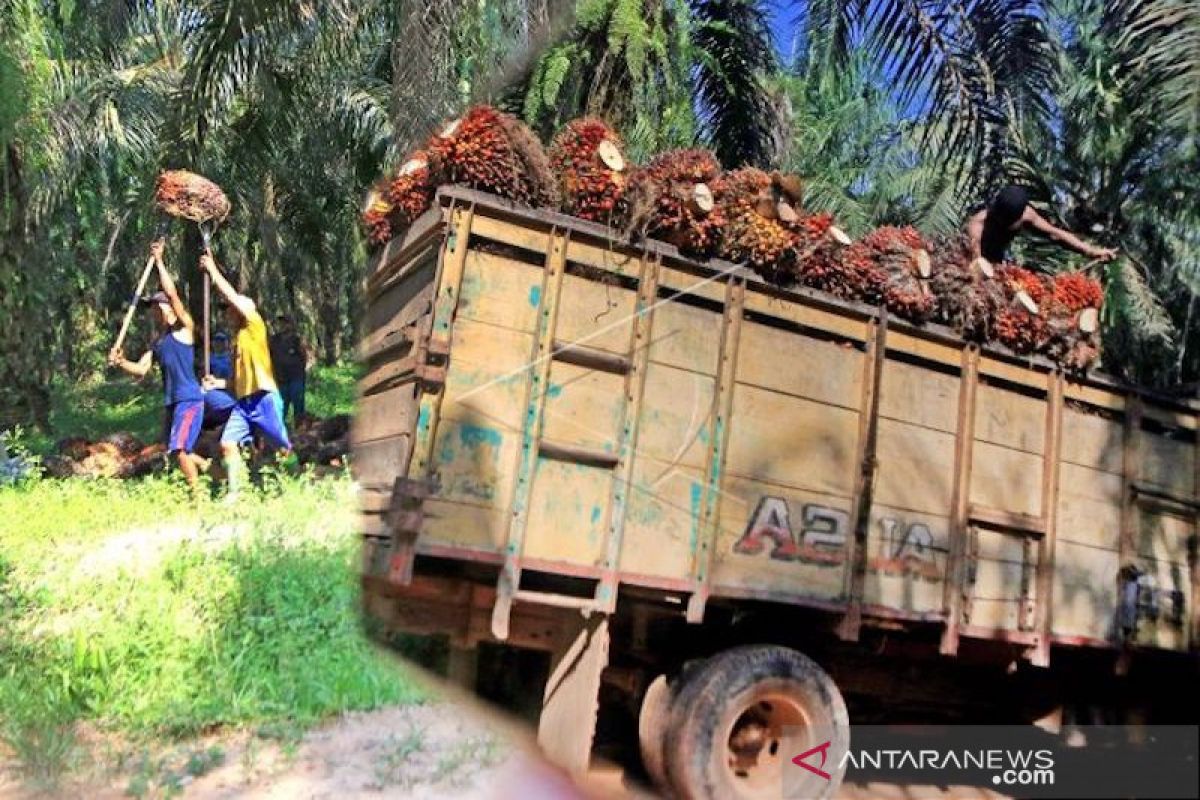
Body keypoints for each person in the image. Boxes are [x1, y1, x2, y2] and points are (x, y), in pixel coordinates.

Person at [108, 240, 205, 489]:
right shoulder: (158, 342)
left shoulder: (184, 328)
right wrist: (121, 362)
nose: (152, 311)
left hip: (188, 399)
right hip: (172, 401)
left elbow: (172, 294)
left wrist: (160, 261)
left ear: (168, 308)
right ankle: (212, 468)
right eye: (150, 308)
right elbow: (141, 370)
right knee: (171, 450)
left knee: (180, 449)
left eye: (156, 306)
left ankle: (198, 500)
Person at [198, 252, 291, 499]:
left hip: (263, 399)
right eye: (226, 309)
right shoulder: (237, 341)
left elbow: (232, 297)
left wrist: (213, 270)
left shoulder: (254, 325)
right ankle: (235, 493)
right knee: (228, 444)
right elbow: (237, 382)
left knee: (283, 449)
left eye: (230, 308)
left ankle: (300, 477)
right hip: (243, 403)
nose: (227, 312)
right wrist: (217, 383)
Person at [966, 185, 1118, 268]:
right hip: (971, 261)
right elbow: (976, 264)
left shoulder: (1026, 215)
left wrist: (1091, 251)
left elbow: (1056, 234)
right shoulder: (978, 226)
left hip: (997, 262)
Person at [269, 314, 308, 425]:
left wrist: (301, 370)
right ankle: (280, 431)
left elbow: (304, 355)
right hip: (281, 379)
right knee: (281, 406)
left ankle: (299, 428)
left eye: (286, 322)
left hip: (296, 377)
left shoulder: (297, 339)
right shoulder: (274, 340)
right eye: (281, 323)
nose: (283, 325)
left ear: (291, 324)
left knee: (298, 404)